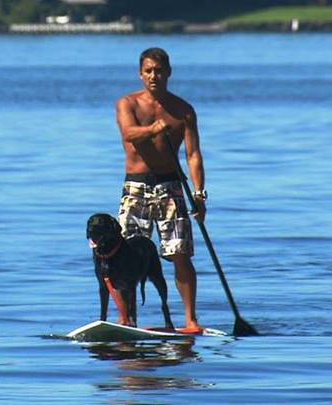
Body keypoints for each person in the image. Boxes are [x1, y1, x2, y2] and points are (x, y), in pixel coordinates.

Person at [115, 47, 207, 332]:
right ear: (140, 74)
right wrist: (155, 129)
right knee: (126, 255)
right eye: (148, 71)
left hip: (171, 186)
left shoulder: (183, 111)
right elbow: (129, 134)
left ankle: (190, 320)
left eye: (159, 70)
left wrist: (199, 194)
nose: (154, 76)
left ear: (169, 73)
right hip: (136, 187)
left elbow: (193, 155)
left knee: (180, 253)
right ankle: (126, 319)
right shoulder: (127, 103)